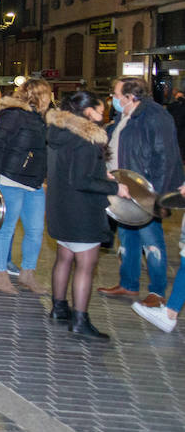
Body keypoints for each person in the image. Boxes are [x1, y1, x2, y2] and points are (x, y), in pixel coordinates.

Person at [45, 91, 126, 340]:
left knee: (64, 258)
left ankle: (59, 308)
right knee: (86, 266)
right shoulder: (85, 139)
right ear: (88, 112)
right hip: (81, 211)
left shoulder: (59, 132)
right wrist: (115, 187)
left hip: (60, 206)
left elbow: (70, 171)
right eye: (100, 111)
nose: (103, 117)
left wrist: (102, 174)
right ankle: (80, 319)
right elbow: (81, 179)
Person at [99, 76, 184, 306]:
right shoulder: (123, 115)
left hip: (145, 190)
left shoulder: (156, 116)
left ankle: (157, 291)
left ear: (130, 96)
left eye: (117, 95)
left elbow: (166, 157)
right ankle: (128, 285)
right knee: (127, 238)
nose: (113, 99)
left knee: (151, 240)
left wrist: (155, 195)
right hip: (123, 188)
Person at [0, 77, 52, 295]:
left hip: (34, 182)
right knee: (5, 228)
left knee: (35, 229)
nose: (51, 99)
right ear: (39, 95)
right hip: (10, 179)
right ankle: (0, 274)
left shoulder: (42, 118)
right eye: (48, 94)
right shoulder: (12, 115)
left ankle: (27, 273)